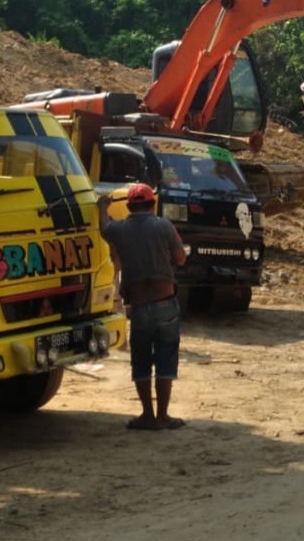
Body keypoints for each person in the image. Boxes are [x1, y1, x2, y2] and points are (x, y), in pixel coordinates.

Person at [99, 182, 188, 431]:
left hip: (139, 307)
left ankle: (147, 415)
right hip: (166, 304)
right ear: (152, 204)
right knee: (166, 360)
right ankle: (163, 416)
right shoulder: (164, 226)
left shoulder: (120, 230)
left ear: (128, 206)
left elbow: (104, 228)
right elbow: (180, 257)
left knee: (140, 361)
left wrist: (102, 208)